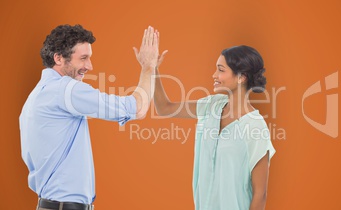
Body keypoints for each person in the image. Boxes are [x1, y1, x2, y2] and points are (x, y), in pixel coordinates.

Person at [19, 24, 160, 210]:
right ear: (58, 58)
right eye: (83, 58)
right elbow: (138, 108)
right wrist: (148, 67)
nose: (89, 66)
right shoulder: (66, 90)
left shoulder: (35, 96)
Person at [154, 45, 276, 210]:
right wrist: (152, 68)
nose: (214, 75)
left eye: (221, 70)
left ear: (241, 77)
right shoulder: (212, 105)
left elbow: (260, 194)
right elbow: (164, 108)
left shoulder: (255, 126)